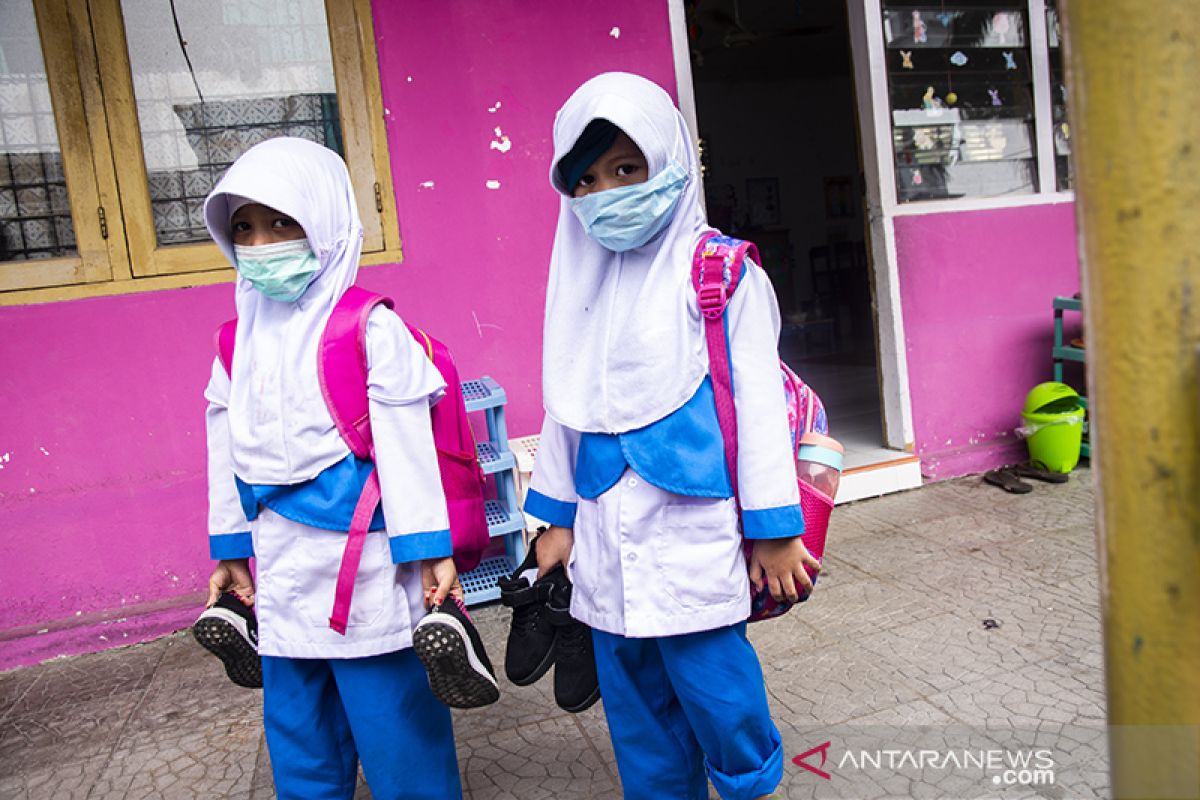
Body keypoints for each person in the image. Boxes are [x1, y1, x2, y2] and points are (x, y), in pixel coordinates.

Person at [521, 73, 820, 800]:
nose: (608, 194)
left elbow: (754, 407)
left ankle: (749, 785)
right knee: (635, 709)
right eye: (586, 180)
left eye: (628, 169)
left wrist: (775, 529)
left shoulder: (722, 275)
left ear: (672, 163)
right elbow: (566, 405)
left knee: (721, 697)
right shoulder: (576, 285)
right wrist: (552, 519)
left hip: (695, 537)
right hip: (601, 538)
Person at [195, 137, 483, 800]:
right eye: (244, 227)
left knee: (398, 733)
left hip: (374, 570)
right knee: (300, 735)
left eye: (281, 224)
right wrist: (230, 548)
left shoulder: (369, 327)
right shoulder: (235, 339)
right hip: (281, 571)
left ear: (322, 223)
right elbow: (224, 444)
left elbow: (407, 449)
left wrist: (429, 551)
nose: (262, 244)